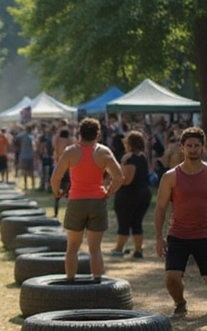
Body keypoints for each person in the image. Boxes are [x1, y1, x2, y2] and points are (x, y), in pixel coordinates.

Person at [51, 117, 124, 282]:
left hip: (76, 201)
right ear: (98, 134)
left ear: (79, 133)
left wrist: (57, 193)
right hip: (97, 201)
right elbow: (119, 177)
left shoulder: (71, 151)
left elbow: (55, 178)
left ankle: (70, 280)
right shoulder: (104, 152)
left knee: (72, 247)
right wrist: (108, 192)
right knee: (95, 249)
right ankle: (97, 281)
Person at [154, 127, 207, 318]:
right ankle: (180, 303)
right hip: (178, 235)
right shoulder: (171, 176)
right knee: (172, 278)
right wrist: (159, 238)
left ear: (202, 147)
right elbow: (160, 208)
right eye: (189, 146)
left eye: (197, 146)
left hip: (204, 235)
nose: (193, 149)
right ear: (182, 147)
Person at [109, 130, 152, 259]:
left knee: (124, 222)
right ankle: (138, 249)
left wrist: (114, 181)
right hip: (143, 193)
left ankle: (119, 248)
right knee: (136, 222)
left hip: (129, 195)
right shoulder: (143, 156)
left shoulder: (129, 158)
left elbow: (127, 180)